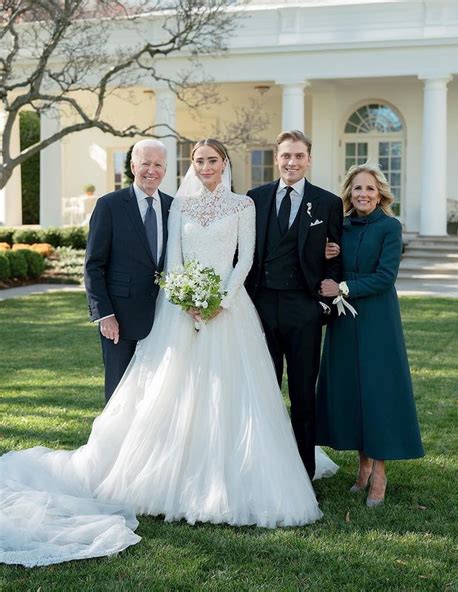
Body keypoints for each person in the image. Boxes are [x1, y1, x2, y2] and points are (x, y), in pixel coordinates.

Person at [0, 139, 338, 568]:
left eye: (213, 160)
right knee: (170, 394)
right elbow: (173, 258)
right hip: (181, 311)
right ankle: (164, 480)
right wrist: (186, 297)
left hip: (229, 313)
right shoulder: (179, 205)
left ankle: (235, 480)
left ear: (224, 164)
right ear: (191, 164)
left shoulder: (242, 206)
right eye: (198, 160)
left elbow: (246, 259)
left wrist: (222, 300)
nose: (206, 166)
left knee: (236, 397)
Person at [316, 162, 424, 507]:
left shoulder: (390, 227)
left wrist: (343, 286)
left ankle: (379, 474)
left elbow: (385, 276)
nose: (363, 194)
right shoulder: (341, 226)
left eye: (370, 189)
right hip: (344, 323)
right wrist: (327, 256)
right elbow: (328, 270)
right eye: (357, 188)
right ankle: (362, 466)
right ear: (349, 192)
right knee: (352, 392)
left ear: (380, 195)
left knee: (377, 393)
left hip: (377, 320)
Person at [245, 130, 343, 480]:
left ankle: (303, 472)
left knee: (303, 396)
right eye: (286, 155)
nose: (292, 162)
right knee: (263, 392)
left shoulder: (328, 202)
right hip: (259, 308)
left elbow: (336, 256)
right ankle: (262, 470)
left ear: (309, 159)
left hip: (303, 310)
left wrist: (321, 305)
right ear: (277, 158)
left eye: (299, 155)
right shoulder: (253, 199)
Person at [84, 139, 173, 402]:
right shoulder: (109, 205)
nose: (151, 170)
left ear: (165, 170)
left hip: (162, 317)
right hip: (119, 319)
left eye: (158, 164)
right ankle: (114, 443)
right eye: (145, 163)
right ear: (133, 165)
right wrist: (105, 315)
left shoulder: (173, 207)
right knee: (119, 392)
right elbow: (93, 265)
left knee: (156, 395)